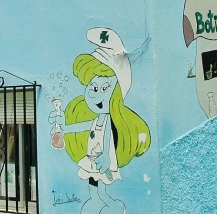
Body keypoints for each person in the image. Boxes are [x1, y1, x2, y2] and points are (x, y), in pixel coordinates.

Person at [56, 28, 149, 214]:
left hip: (102, 158)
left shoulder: (109, 120)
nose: (96, 93)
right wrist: (64, 129)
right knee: (93, 183)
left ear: (116, 93)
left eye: (105, 87)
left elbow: (109, 137)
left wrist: (107, 157)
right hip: (93, 157)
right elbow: (82, 127)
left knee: (102, 183)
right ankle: (95, 202)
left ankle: (113, 205)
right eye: (93, 86)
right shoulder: (96, 118)